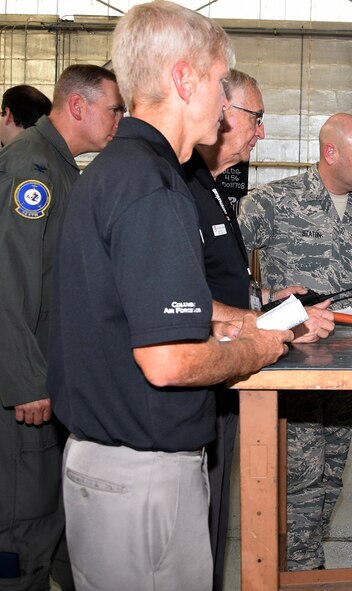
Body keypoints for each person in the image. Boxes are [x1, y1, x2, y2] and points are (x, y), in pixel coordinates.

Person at [47, 3, 299, 589]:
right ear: (185, 80)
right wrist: (258, 347)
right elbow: (170, 361)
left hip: (107, 468)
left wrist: (240, 324)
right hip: (143, 481)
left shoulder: (114, 172)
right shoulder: (153, 189)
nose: (223, 99)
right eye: (219, 83)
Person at [184, 68, 334, 590]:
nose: (261, 132)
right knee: (190, 534)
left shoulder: (211, 189)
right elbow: (184, 303)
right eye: (257, 117)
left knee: (211, 525)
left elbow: (222, 289)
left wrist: (277, 305)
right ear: (222, 112)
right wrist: (281, 326)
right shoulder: (180, 189)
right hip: (196, 379)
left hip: (221, 377)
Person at [238, 112, 352, 570]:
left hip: (347, 368)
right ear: (330, 152)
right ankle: (301, 569)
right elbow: (214, 270)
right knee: (300, 476)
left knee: (334, 475)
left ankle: (303, 557)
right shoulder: (271, 202)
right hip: (293, 365)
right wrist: (262, 305)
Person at [0, 64, 123, 591]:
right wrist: (27, 379)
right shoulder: (32, 166)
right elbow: (8, 281)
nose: (121, 119)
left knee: (57, 515)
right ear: (78, 106)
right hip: (28, 386)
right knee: (24, 522)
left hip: (54, 377)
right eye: (114, 109)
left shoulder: (65, 166)